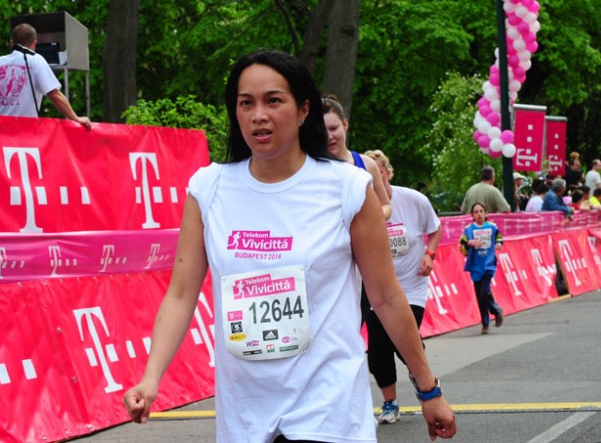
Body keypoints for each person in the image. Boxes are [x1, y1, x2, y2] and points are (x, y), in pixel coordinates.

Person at [121, 49, 457, 442]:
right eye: (246, 103)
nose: (258, 115)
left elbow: (385, 297)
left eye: (273, 101)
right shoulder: (209, 189)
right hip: (245, 414)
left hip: (328, 408)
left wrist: (428, 389)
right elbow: (181, 294)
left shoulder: (346, 188)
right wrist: (150, 378)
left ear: (303, 110)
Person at [363, 149, 442, 425]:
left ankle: (424, 380)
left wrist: (429, 254)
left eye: (379, 173)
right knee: (377, 353)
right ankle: (390, 403)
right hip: (377, 289)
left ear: (388, 173)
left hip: (411, 287)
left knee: (399, 341)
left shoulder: (413, 200)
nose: (374, 179)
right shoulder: (361, 206)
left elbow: (435, 228)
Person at [0, 23, 92, 130]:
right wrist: (75, 118)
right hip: (25, 132)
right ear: (34, 43)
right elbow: (55, 95)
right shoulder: (36, 61)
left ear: (11, 42)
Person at [321, 94, 391, 220]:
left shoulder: (367, 164)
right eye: (322, 130)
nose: (328, 136)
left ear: (345, 125)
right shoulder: (310, 166)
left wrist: (370, 219)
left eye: (333, 128)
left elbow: (386, 205)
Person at [459, 202, 504, 335]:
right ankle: (485, 323)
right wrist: (470, 243)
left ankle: (495, 310)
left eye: (481, 211)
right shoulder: (468, 230)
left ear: (486, 213)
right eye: (476, 212)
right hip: (475, 266)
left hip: (488, 264)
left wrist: (498, 244)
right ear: (472, 215)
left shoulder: (492, 227)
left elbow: (499, 237)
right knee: (480, 296)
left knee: (484, 291)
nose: (479, 214)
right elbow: (461, 246)